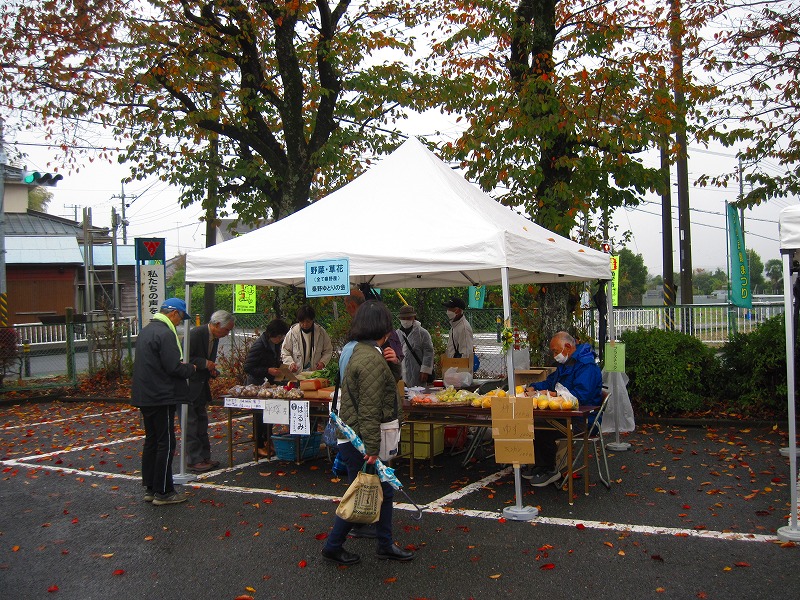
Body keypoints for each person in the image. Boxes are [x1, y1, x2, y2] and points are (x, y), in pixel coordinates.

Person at [321, 300, 415, 565]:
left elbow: (378, 389)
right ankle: (337, 544)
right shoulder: (370, 358)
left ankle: (380, 544)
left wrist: (393, 365)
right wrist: (372, 449)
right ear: (383, 328)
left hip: (354, 435)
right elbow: (370, 408)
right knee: (368, 491)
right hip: (362, 439)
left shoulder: (360, 352)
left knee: (370, 490)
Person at [131, 298, 197, 506]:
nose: (179, 322)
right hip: (161, 395)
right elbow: (173, 367)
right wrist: (191, 368)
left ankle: (151, 487)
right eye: (180, 317)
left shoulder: (147, 330)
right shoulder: (165, 333)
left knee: (152, 441)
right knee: (165, 443)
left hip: (145, 394)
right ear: (174, 313)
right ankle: (164, 491)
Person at [524, 331, 603, 487]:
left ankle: (549, 469)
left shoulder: (587, 366)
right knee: (537, 423)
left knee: (543, 427)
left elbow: (581, 397)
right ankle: (542, 466)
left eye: (555, 351)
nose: (555, 355)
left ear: (567, 346)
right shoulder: (565, 364)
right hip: (567, 415)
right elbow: (549, 383)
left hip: (583, 419)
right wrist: (532, 387)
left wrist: (551, 394)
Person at [186, 310, 235, 473]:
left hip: (201, 385)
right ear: (216, 325)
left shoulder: (214, 338)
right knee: (191, 424)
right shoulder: (195, 334)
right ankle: (194, 459)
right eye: (227, 330)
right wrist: (204, 363)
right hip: (188, 385)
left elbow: (207, 362)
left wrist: (212, 370)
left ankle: (204, 457)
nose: (227, 334)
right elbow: (184, 359)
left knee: (201, 422)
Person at [243, 318, 290, 457]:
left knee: (269, 415)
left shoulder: (273, 344)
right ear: (272, 334)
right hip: (256, 385)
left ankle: (268, 442)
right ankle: (258, 446)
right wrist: (267, 370)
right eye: (279, 336)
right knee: (259, 417)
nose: (281, 339)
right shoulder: (260, 345)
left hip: (268, 385)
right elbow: (248, 367)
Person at [281, 304, 333, 373]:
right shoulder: (292, 333)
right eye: (302, 322)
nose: (305, 324)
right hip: (297, 373)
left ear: (313, 320)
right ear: (298, 320)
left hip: (315, 372)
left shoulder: (321, 332)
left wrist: (323, 362)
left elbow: (328, 350)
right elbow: (285, 351)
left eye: (308, 321)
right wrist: (291, 364)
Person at [396, 304, 434, 386]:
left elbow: (429, 352)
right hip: (401, 375)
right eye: (403, 318)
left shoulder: (422, 333)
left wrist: (425, 370)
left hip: (418, 373)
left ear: (414, 317)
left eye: (408, 318)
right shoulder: (397, 334)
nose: (406, 320)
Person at [443, 297, 474, 366]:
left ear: (458, 311)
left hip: (459, 371)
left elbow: (466, 353)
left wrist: (460, 373)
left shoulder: (464, 328)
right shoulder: (455, 325)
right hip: (454, 368)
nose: (448, 311)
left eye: (450, 308)